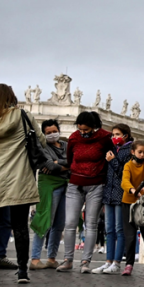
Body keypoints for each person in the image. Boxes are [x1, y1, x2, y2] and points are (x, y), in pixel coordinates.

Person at [0, 84, 43, 286]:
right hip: (19, 177)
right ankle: (22, 272)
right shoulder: (22, 115)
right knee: (20, 226)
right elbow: (40, 140)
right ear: (11, 97)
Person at [58, 111, 112, 274]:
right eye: (80, 129)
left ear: (94, 127)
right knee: (70, 223)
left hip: (96, 185)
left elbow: (110, 159)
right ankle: (68, 260)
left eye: (86, 130)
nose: (83, 133)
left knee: (91, 224)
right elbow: (70, 159)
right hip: (75, 184)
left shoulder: (105, 138)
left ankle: (85, 261)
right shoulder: (74, 138)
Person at [28, 119, 69, 270]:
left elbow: (75, 161)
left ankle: (52, 258)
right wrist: (62, 165)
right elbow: (50, 165)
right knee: (44, 220)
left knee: (59, 224)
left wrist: (58, 164)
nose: (52, 134)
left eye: (54, 131)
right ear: (44, 134)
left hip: (65, 185)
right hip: (48, 186)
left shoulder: (66, 145)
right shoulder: (42, 146)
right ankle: (35, 259)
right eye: (48, 133)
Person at [92, 123, 132, 274]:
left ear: (125, 135)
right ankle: (108, 261)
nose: (114, 137)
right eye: (113, 135)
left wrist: (113, 160)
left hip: (121, 194)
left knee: (119, 229)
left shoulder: (130, 151)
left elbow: (125, 173)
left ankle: (116, 262)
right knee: (109, 230)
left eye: (117, 134)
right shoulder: (112, 149)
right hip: (108, 193)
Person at [120, 140, 144, 276]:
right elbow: (125, 181)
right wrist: (132, 190)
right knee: (130, 236)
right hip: (129, 203)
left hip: (143, 203)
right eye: (140, 152)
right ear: (133, 152)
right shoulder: (128, 165)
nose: (142, 155)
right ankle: (129, 264)